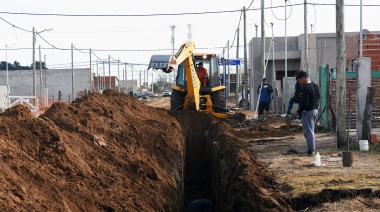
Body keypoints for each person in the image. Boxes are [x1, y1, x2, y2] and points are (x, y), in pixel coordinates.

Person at [293, 71, 320, 156]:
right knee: (311, 131)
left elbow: (305, 103)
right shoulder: (315, 86)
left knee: (308, 132)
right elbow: (318, 96)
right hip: (315, 110)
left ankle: (311, 151)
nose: (299, 82)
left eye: (300, 80)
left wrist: (298, 112)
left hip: (308, 112)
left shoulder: (306, 88)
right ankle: (311, 149)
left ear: (304, 78)